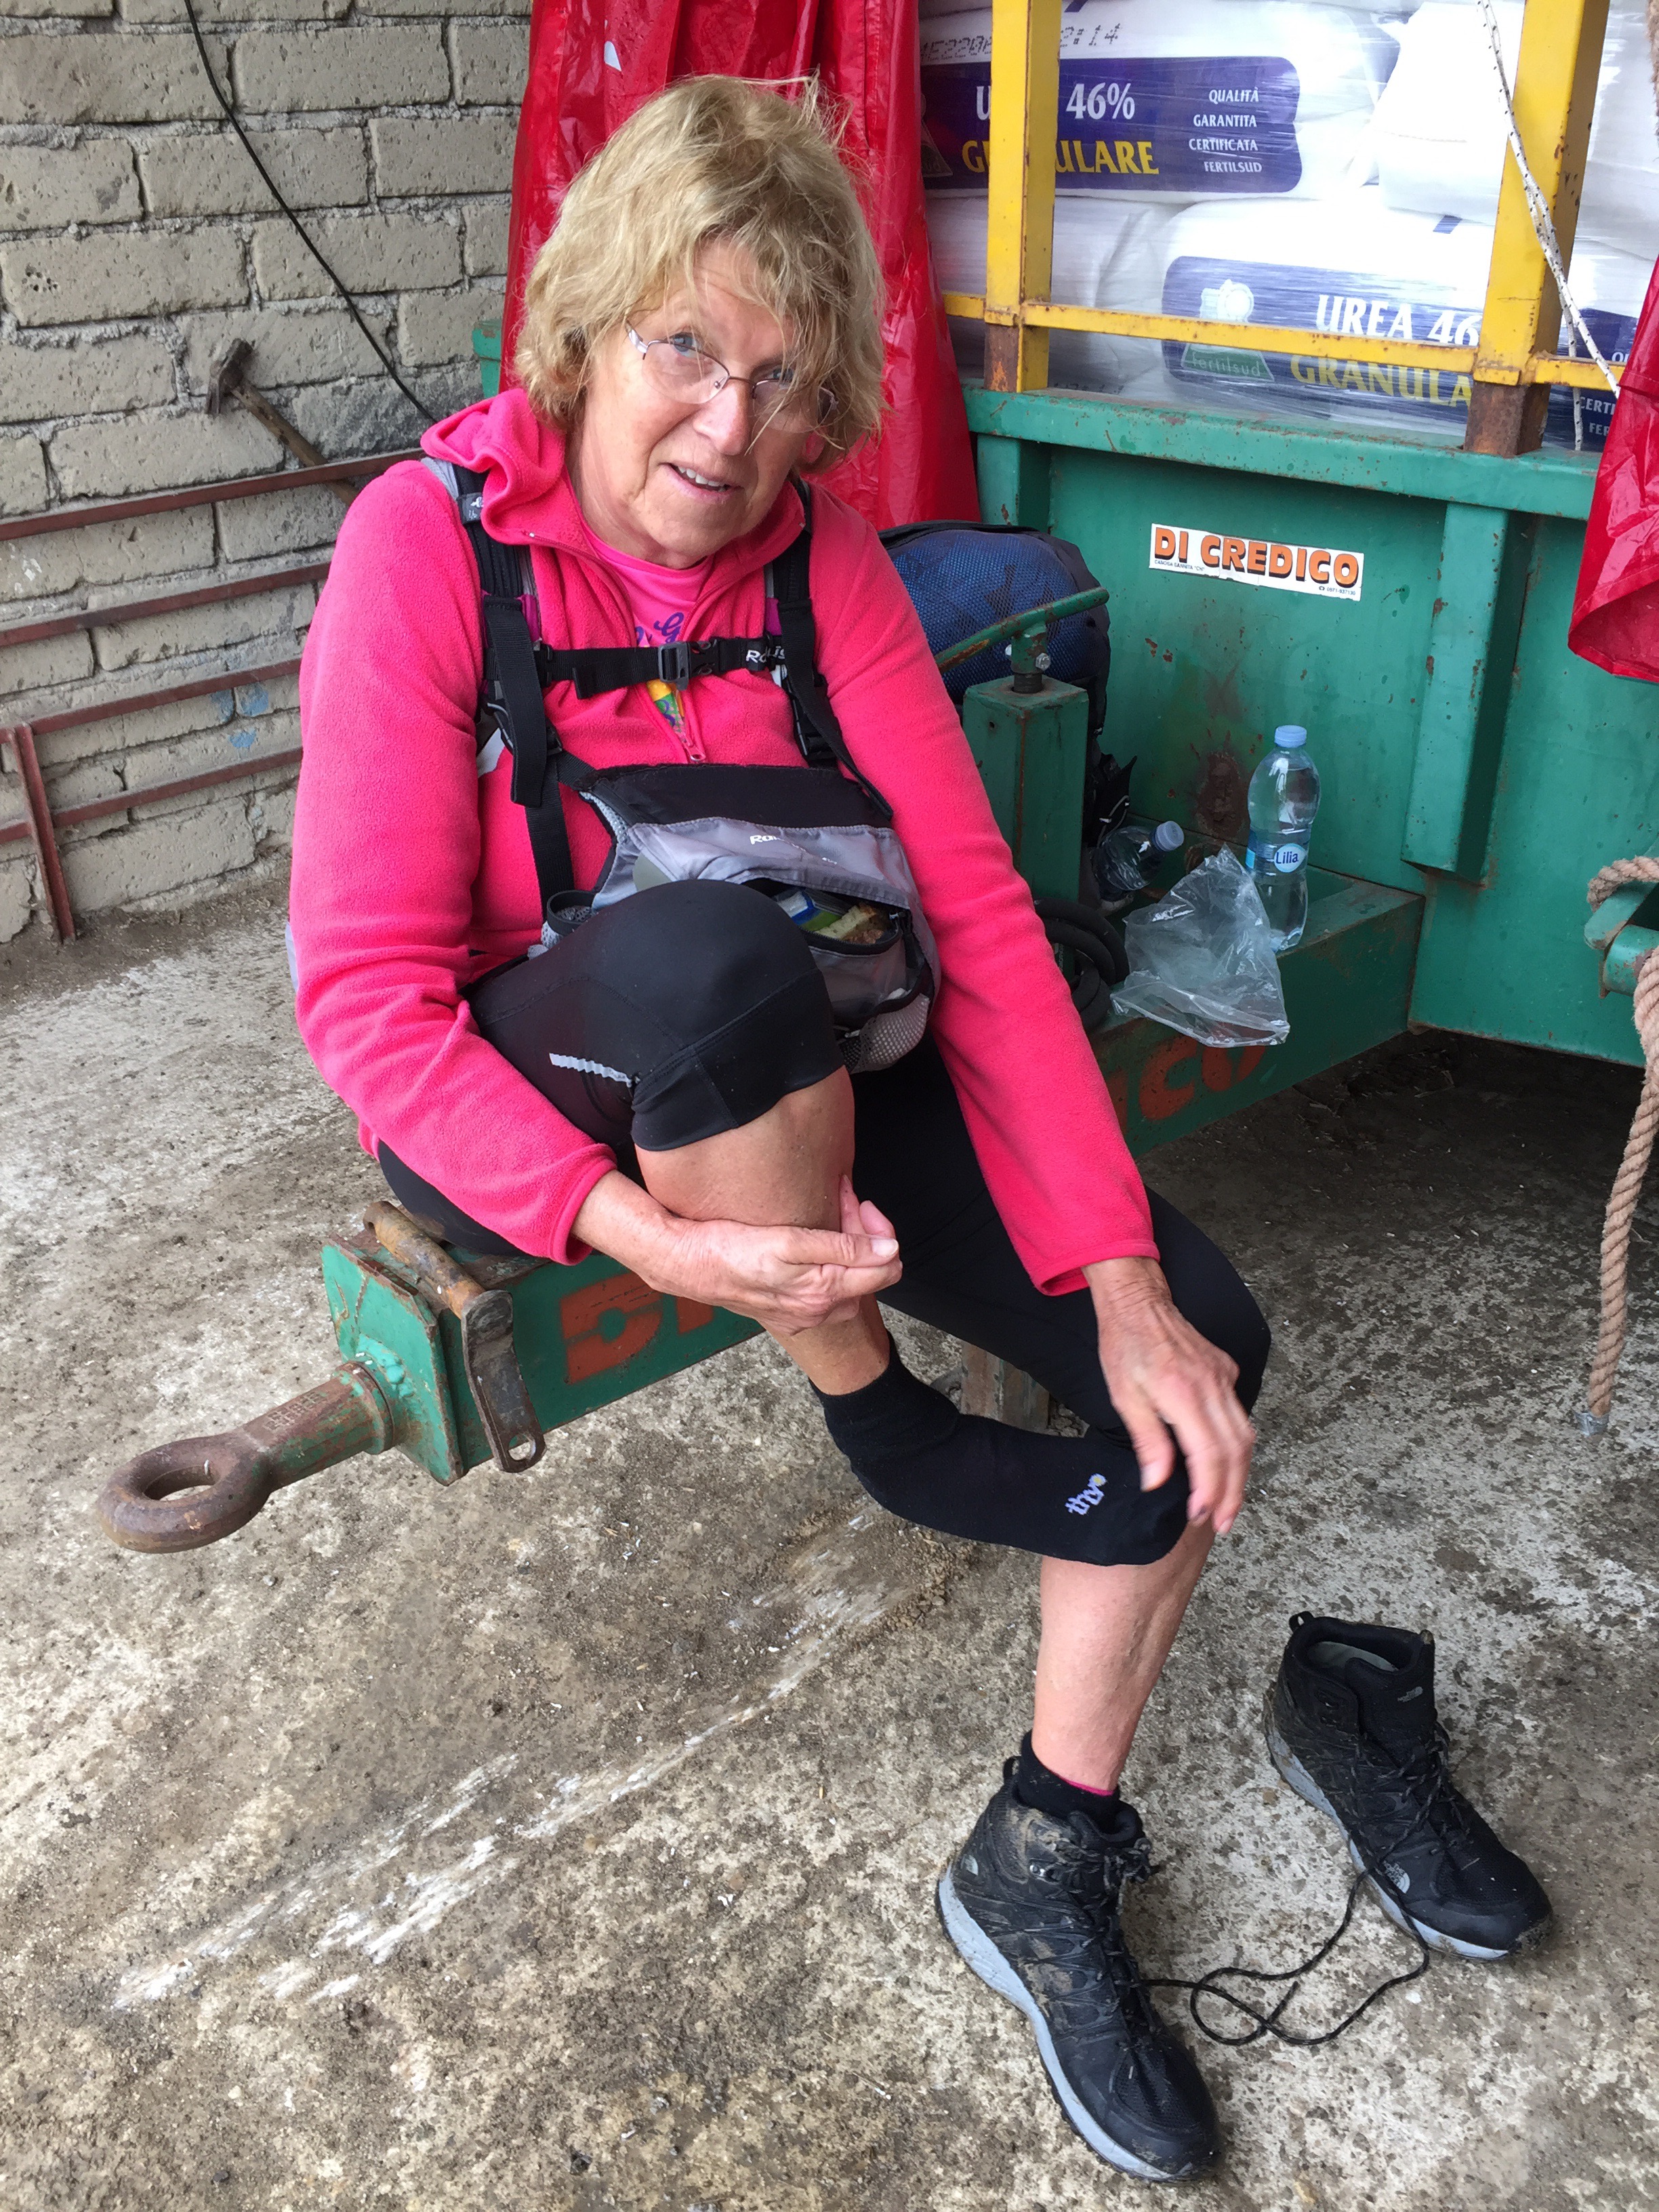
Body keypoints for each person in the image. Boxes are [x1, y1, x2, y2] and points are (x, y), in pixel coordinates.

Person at [291, 77, 1268, 2184]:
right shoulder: (428, 544)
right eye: (685, 350)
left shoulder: (822, 555)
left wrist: (1116, 1277)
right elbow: (363, 997)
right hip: (540, 1097)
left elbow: (978, 920)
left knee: (1203, 1348)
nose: (729, 429)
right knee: (706, 961)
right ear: (586, 330)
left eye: (785, 381)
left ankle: (1048, 1841)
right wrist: (640, 1240)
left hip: (807, 1047)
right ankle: (874, 1412)